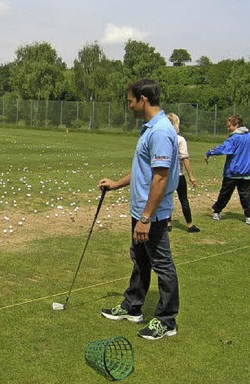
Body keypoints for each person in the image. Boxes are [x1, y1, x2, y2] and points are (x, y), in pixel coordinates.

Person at [99, 79, 180, 340]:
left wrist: (146, 217)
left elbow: (160, 178)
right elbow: (142, 171)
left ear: (143, 99)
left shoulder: (160, 131)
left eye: (130, 100)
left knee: (162, 265)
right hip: (142, 211)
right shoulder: (149, 128)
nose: (129, 104)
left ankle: (167, 320)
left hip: (152, 214)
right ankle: (133, 306)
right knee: (140, 259)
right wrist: (115, 184)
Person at [205, 114, 250, 225]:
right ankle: (249, 216)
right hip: (246, 173)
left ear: (236, 125)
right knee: (245, 195)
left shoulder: (234, 138)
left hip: (232, 173)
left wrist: (210, 152)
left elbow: (224, 149)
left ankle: (217, 212)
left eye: (229, 126)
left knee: (225, 193)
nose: (228, 128)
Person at [166, 113, 200, 233]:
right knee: (183, 199)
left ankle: (168, 223)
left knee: (167, 199)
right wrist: (191, 175)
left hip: (165, 175)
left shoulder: (163, 138)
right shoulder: (180, 139)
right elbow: (184, 158)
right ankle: (190, 225)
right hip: (178, 175)